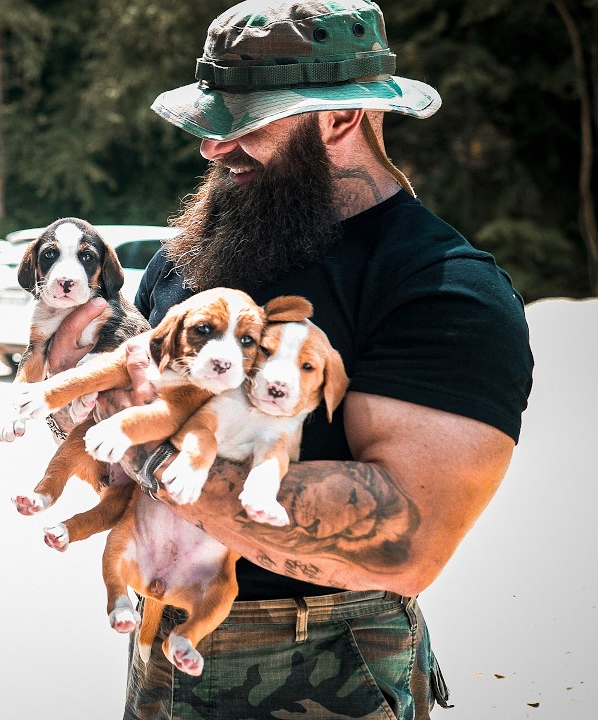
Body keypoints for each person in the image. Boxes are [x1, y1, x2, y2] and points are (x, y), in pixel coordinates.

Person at [44, 2, 533, 718]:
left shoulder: (441, 286)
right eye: (211, 121)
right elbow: (103, 452)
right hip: (163, 644)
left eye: (244, 123)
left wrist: (138, 440)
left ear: (341, 118)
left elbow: (409, 544)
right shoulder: (187, 261)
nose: (213, 147)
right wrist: (68, 394)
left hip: (325, 657)